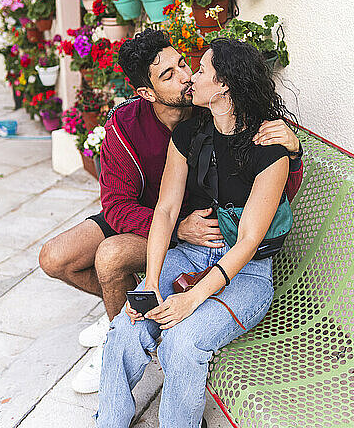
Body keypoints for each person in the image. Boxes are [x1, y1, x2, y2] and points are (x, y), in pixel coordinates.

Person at [39, 29, 303, 393]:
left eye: (183, 64)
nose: (184, 77)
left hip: (206, 234)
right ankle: (121, 327)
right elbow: (115, 205)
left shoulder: (210, 105)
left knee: (111, 257)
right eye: (168, 76)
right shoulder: (125, 124)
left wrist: (292, 152)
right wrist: (177, 226)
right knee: (55, 257)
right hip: (153, 218)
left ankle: (127, 322)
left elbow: (267, 193)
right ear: (146, 93)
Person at [96, 38, 298, 428]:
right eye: (180, 72)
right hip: (189, 257)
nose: (191, 78)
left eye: (199, 70)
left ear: (223, 86)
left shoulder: (268, 149)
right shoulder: (190, 135)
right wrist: (152, 282)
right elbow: (166, 210)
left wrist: (190, 302)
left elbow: (248, 242)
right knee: (128, 325)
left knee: (182, 341)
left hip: (247, 271)